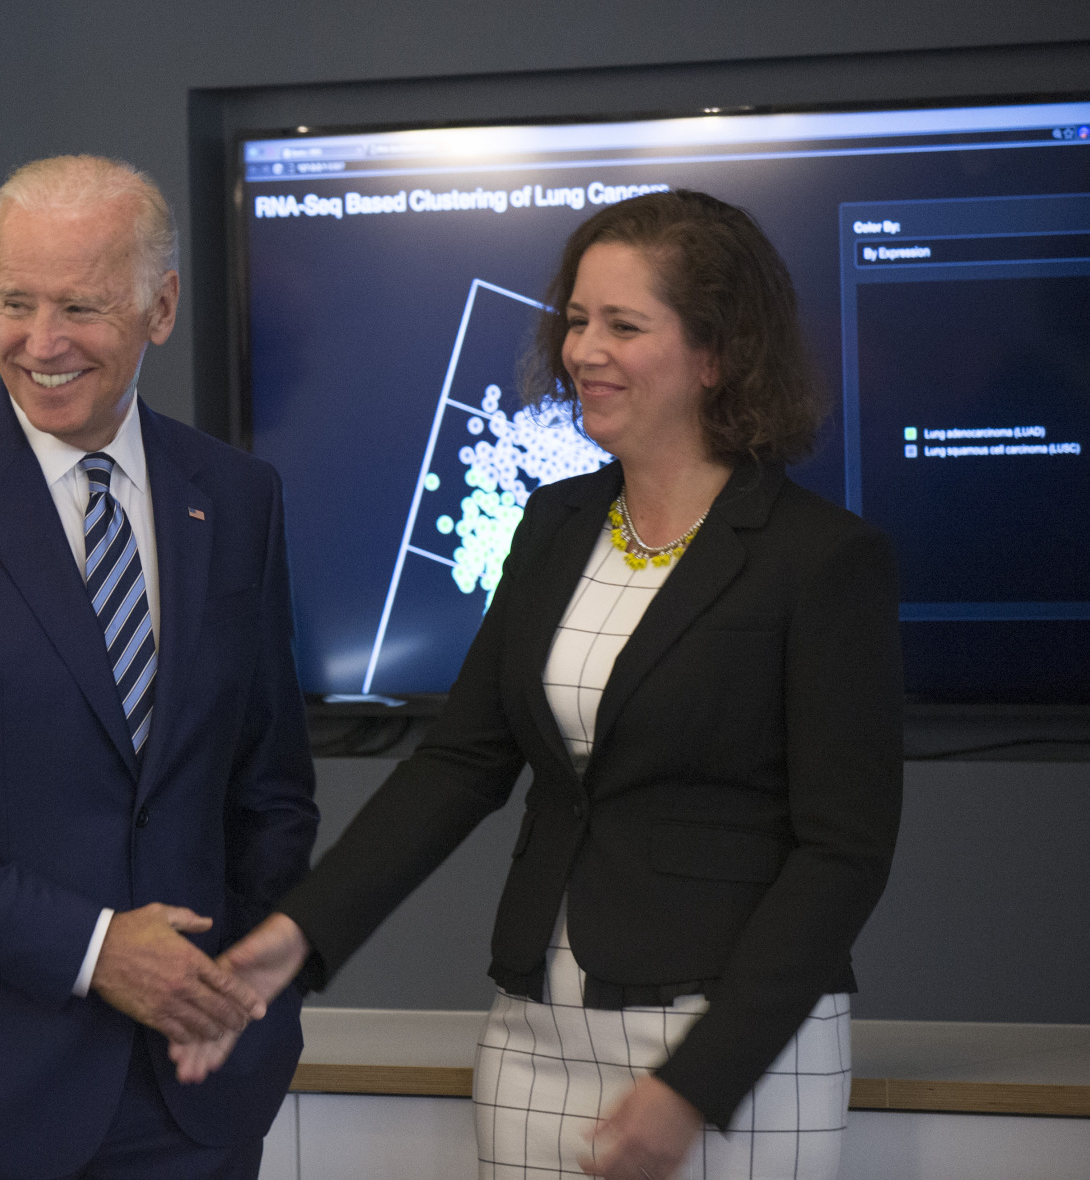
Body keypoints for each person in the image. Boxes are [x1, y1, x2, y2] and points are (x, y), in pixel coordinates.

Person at [198, 190, 903, 1180]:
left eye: (622, 324)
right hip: (537, 1031)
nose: (581, 350)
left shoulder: (821, 559)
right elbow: (459, 765)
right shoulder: (557, 524)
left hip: (738, 1049)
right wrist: (296, 935)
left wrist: (696, 1080)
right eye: (575, 319)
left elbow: (842, 854)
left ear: (714, 355)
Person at [0, 155, 319, 1179]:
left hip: (190, 1098)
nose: (41, 343)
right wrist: (95, 949)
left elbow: (270, 788)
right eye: (14, 302)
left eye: (80, 305)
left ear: (159, 308)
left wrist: (232, 983)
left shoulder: (236, 497)